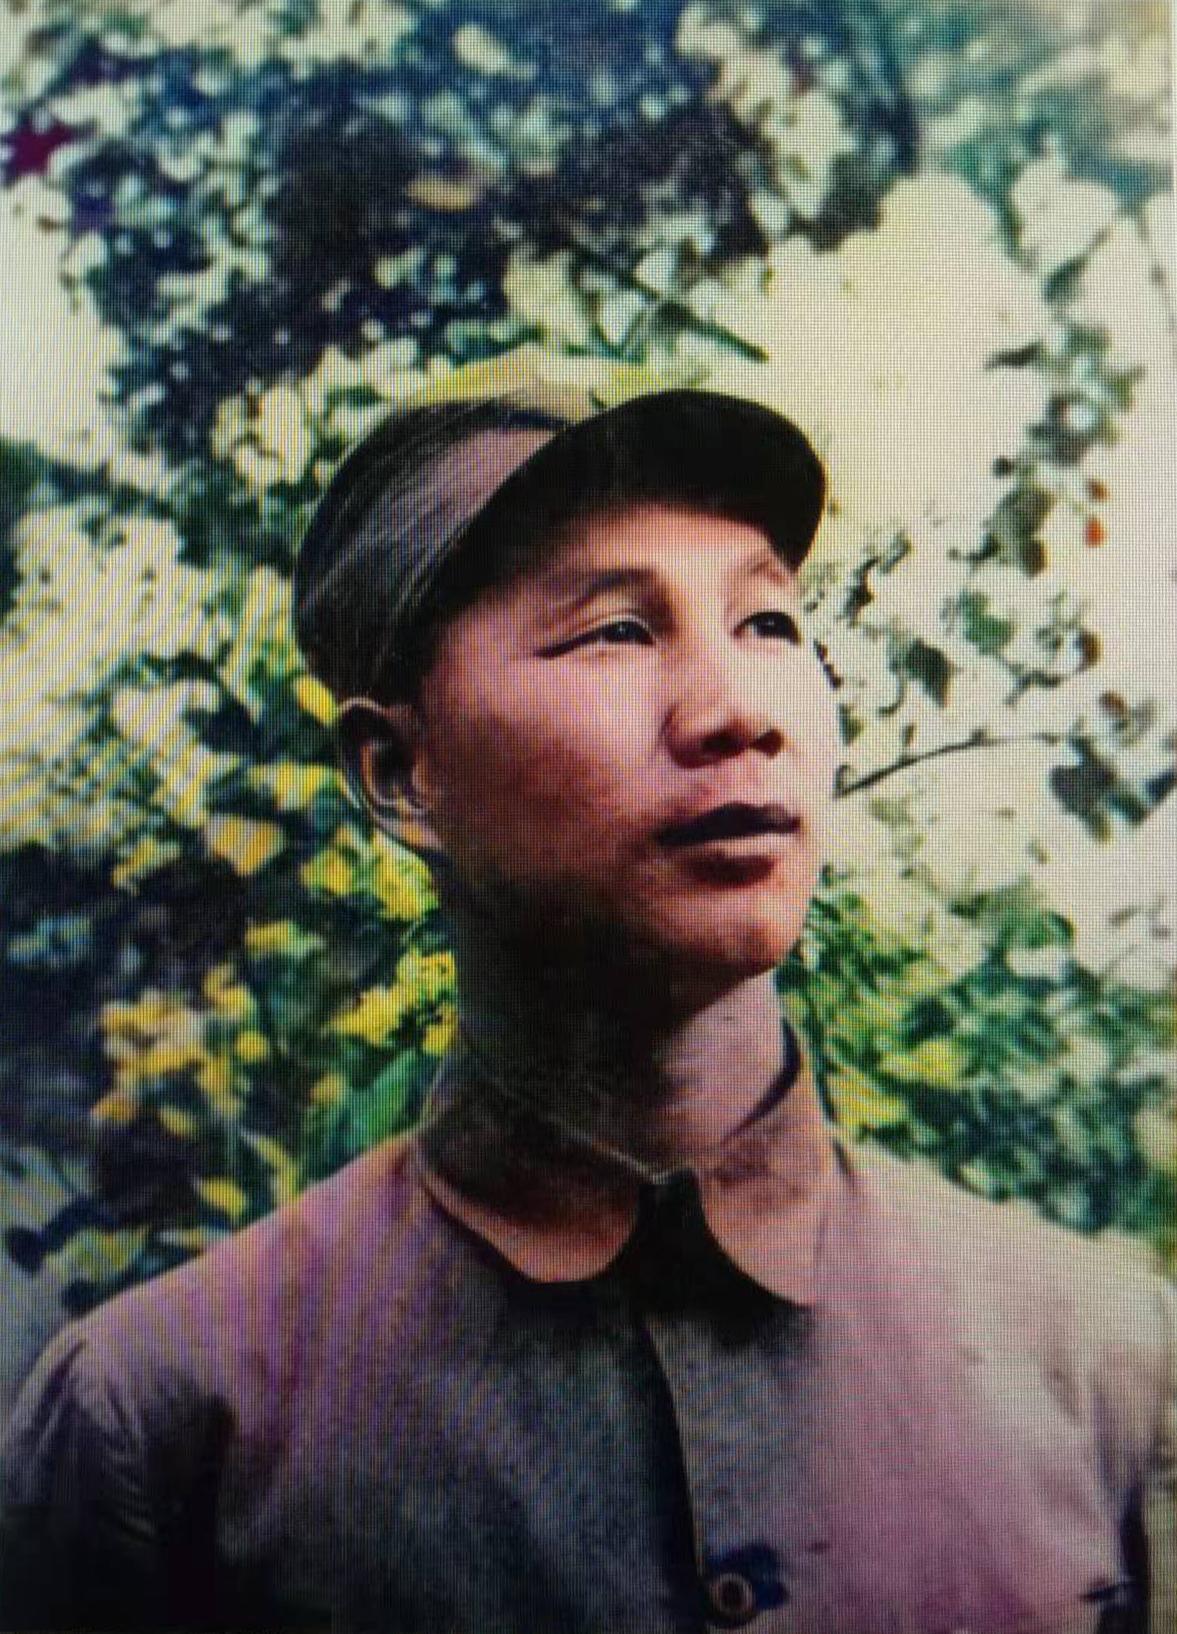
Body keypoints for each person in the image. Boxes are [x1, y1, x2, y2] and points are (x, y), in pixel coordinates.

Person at [0, 383, 1173, 1634]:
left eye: (768, 620)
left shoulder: (1105, 1359)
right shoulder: (165, 1421)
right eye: (614, 631)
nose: (738, 711)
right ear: (399, 773)